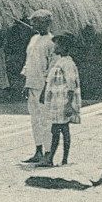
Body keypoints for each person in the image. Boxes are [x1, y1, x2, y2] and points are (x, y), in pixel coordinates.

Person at [38, 33, 82, 167]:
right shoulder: (59, 62)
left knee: (61, 129)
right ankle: (54, 158)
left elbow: (71, 84)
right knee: (58, 130)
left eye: (58, 44)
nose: (55, 46)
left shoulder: (67, 63)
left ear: (64, 47)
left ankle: (59, 159)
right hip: (57, 102)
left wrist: (69, 104)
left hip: (63, 102)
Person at [21, 9, 56, 164]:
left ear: (47, 23)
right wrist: (26, 83)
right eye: (33, 21)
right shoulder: (33, 39)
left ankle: (48, 153)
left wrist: (46, 89)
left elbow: (53, 67)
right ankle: (38, 151)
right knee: (35, 119)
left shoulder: (52, 42)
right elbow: (29, 63)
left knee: (46, 120)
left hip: (44, 86)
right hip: (32, 83)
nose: (33, 24)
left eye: (37, 21)